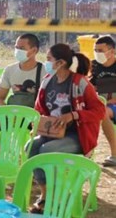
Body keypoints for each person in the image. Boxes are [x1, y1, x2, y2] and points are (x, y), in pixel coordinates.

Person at [28, 44, 104, 214]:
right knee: (31, 147)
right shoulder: (48, 80)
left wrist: (74, 115)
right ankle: (46, 194)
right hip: (53, 133)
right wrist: (39, 120)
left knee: (47, 150)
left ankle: (58, 197)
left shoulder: (80, 82)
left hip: (78, 136)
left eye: (49, 59)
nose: (46, 62)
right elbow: (39, 109)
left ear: (60, 63)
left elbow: (99, 111)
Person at [0, 33, 47, 159]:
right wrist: (6, 112)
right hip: (11, 116)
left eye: (21, 48)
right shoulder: (10, 70)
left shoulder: (44, 71)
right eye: (16, 47)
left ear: (34, 50)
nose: (17, 51)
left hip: (33, 118)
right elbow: (0, 97)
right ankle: (2, 159)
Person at [89, 35, 116, 167]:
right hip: (100, 103)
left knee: (103, 113)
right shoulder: (94, 65)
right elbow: (91, 86)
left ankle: (114, 154)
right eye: (96, 50)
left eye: (101, 50)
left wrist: (107, 101)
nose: (97, 53)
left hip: (111, 105)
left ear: (112, 51)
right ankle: (86, 152)